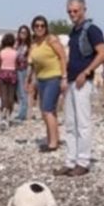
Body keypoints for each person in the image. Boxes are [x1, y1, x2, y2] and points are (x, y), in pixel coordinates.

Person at [55, 0, 104, 177]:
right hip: (71, 80)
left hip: (82, 81)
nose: (72, 14)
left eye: (75, 11)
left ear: (84, 9)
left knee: (82, 123)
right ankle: (70, 160)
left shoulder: (92, 30)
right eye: (69, 11)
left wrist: (86, 72)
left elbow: (102, 53)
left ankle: (83, 161)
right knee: (70, 123)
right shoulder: (74, 32)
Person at [28, 15, 67, 153]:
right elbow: (34, 65)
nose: (39, 28)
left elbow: (63, 57)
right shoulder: (34, 44)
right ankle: (52, 138)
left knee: (47, 110)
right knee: (48, 111)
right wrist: (32, 80)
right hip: (41, 79)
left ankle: (53, 143)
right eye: (37, 26)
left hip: (54, 77)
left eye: (42, 25)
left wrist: (64, 77)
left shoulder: (51, 40)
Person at [0, 33, 18, 125]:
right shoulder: (16, 53)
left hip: (3, 73)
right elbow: (18, 64)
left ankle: (3, 111)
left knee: (3, 94)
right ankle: (10, 113)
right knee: (11, 95)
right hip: (12, 73)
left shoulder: (1, 52)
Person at [14, 25, 32, 121]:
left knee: (23, 91)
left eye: (24, 33)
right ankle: (21, 112)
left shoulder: (29, 46)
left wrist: (28, 76)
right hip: (17, 69)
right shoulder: (18, 45)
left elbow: (30, 62)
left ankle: (22, 114)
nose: (22, 35)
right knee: (18, 92)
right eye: (21, 32)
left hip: (24, 70)